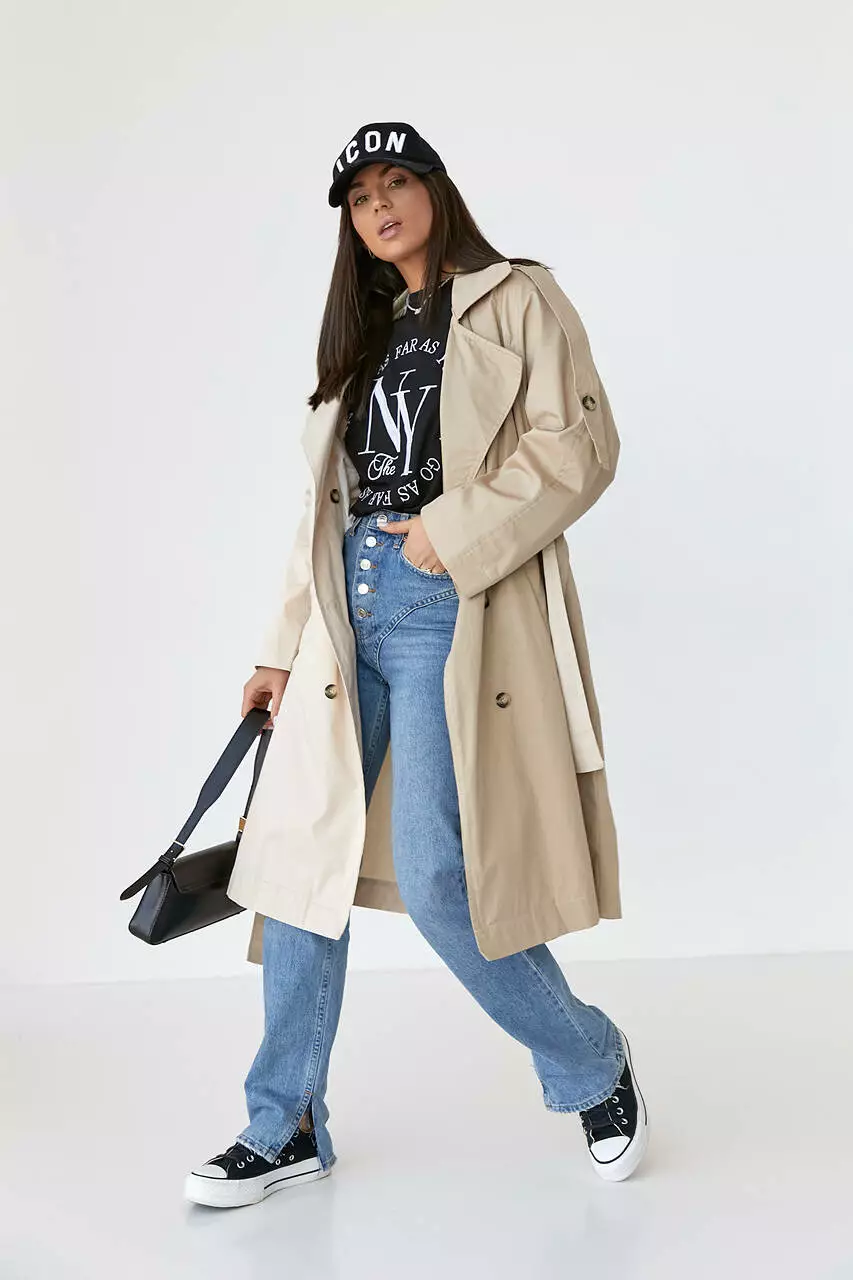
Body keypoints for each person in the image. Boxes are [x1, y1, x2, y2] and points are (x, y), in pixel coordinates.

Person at [184, 121, 648, 1209]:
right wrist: (279, 646)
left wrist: (452, 527)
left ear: (436, 190)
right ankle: (286, 1122)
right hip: (343, 615)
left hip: (450, 605)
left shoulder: (515, 296)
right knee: (299, 872)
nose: (380, 207)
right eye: (360, 198)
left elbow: (581, 445)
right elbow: (323, 507)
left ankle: (590, 1061)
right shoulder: (364, 334)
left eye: (397, 183)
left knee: (443, 882)